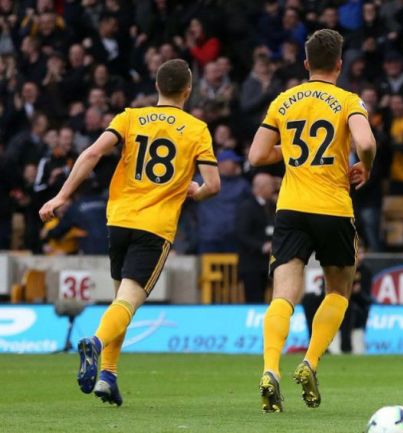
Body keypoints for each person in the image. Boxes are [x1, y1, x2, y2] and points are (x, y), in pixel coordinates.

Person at [39, 59, 221, 407]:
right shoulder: (197, 129)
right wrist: (195, 191)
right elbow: (213, 184)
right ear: (188, 90)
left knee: (120, 300)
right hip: (154, 227)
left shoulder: (130, 117)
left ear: (156, 86)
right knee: (128, 301)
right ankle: (94, 343)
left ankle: (108, 375)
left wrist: (62, 195)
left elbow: (92, 153)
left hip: (119, 220)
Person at [248, 29, 376, 413]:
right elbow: (366, 143)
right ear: (339, 64)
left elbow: (256, 156)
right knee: (338, 290)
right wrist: (363, 166)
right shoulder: (348, 100)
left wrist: (291, 151)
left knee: (283, 295)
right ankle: (311, 362)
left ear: (306, 64)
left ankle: (271, 368)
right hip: (332, 207)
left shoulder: (284, 100)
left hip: (290, 208)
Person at [235, 173, 276, 304]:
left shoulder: (272, 206)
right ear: (260, 187)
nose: (273, 189)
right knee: (254, 300)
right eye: (270, 186)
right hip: (251, 265)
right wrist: (262, 246)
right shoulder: (247, 207)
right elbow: (241, 235)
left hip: (267, 264)